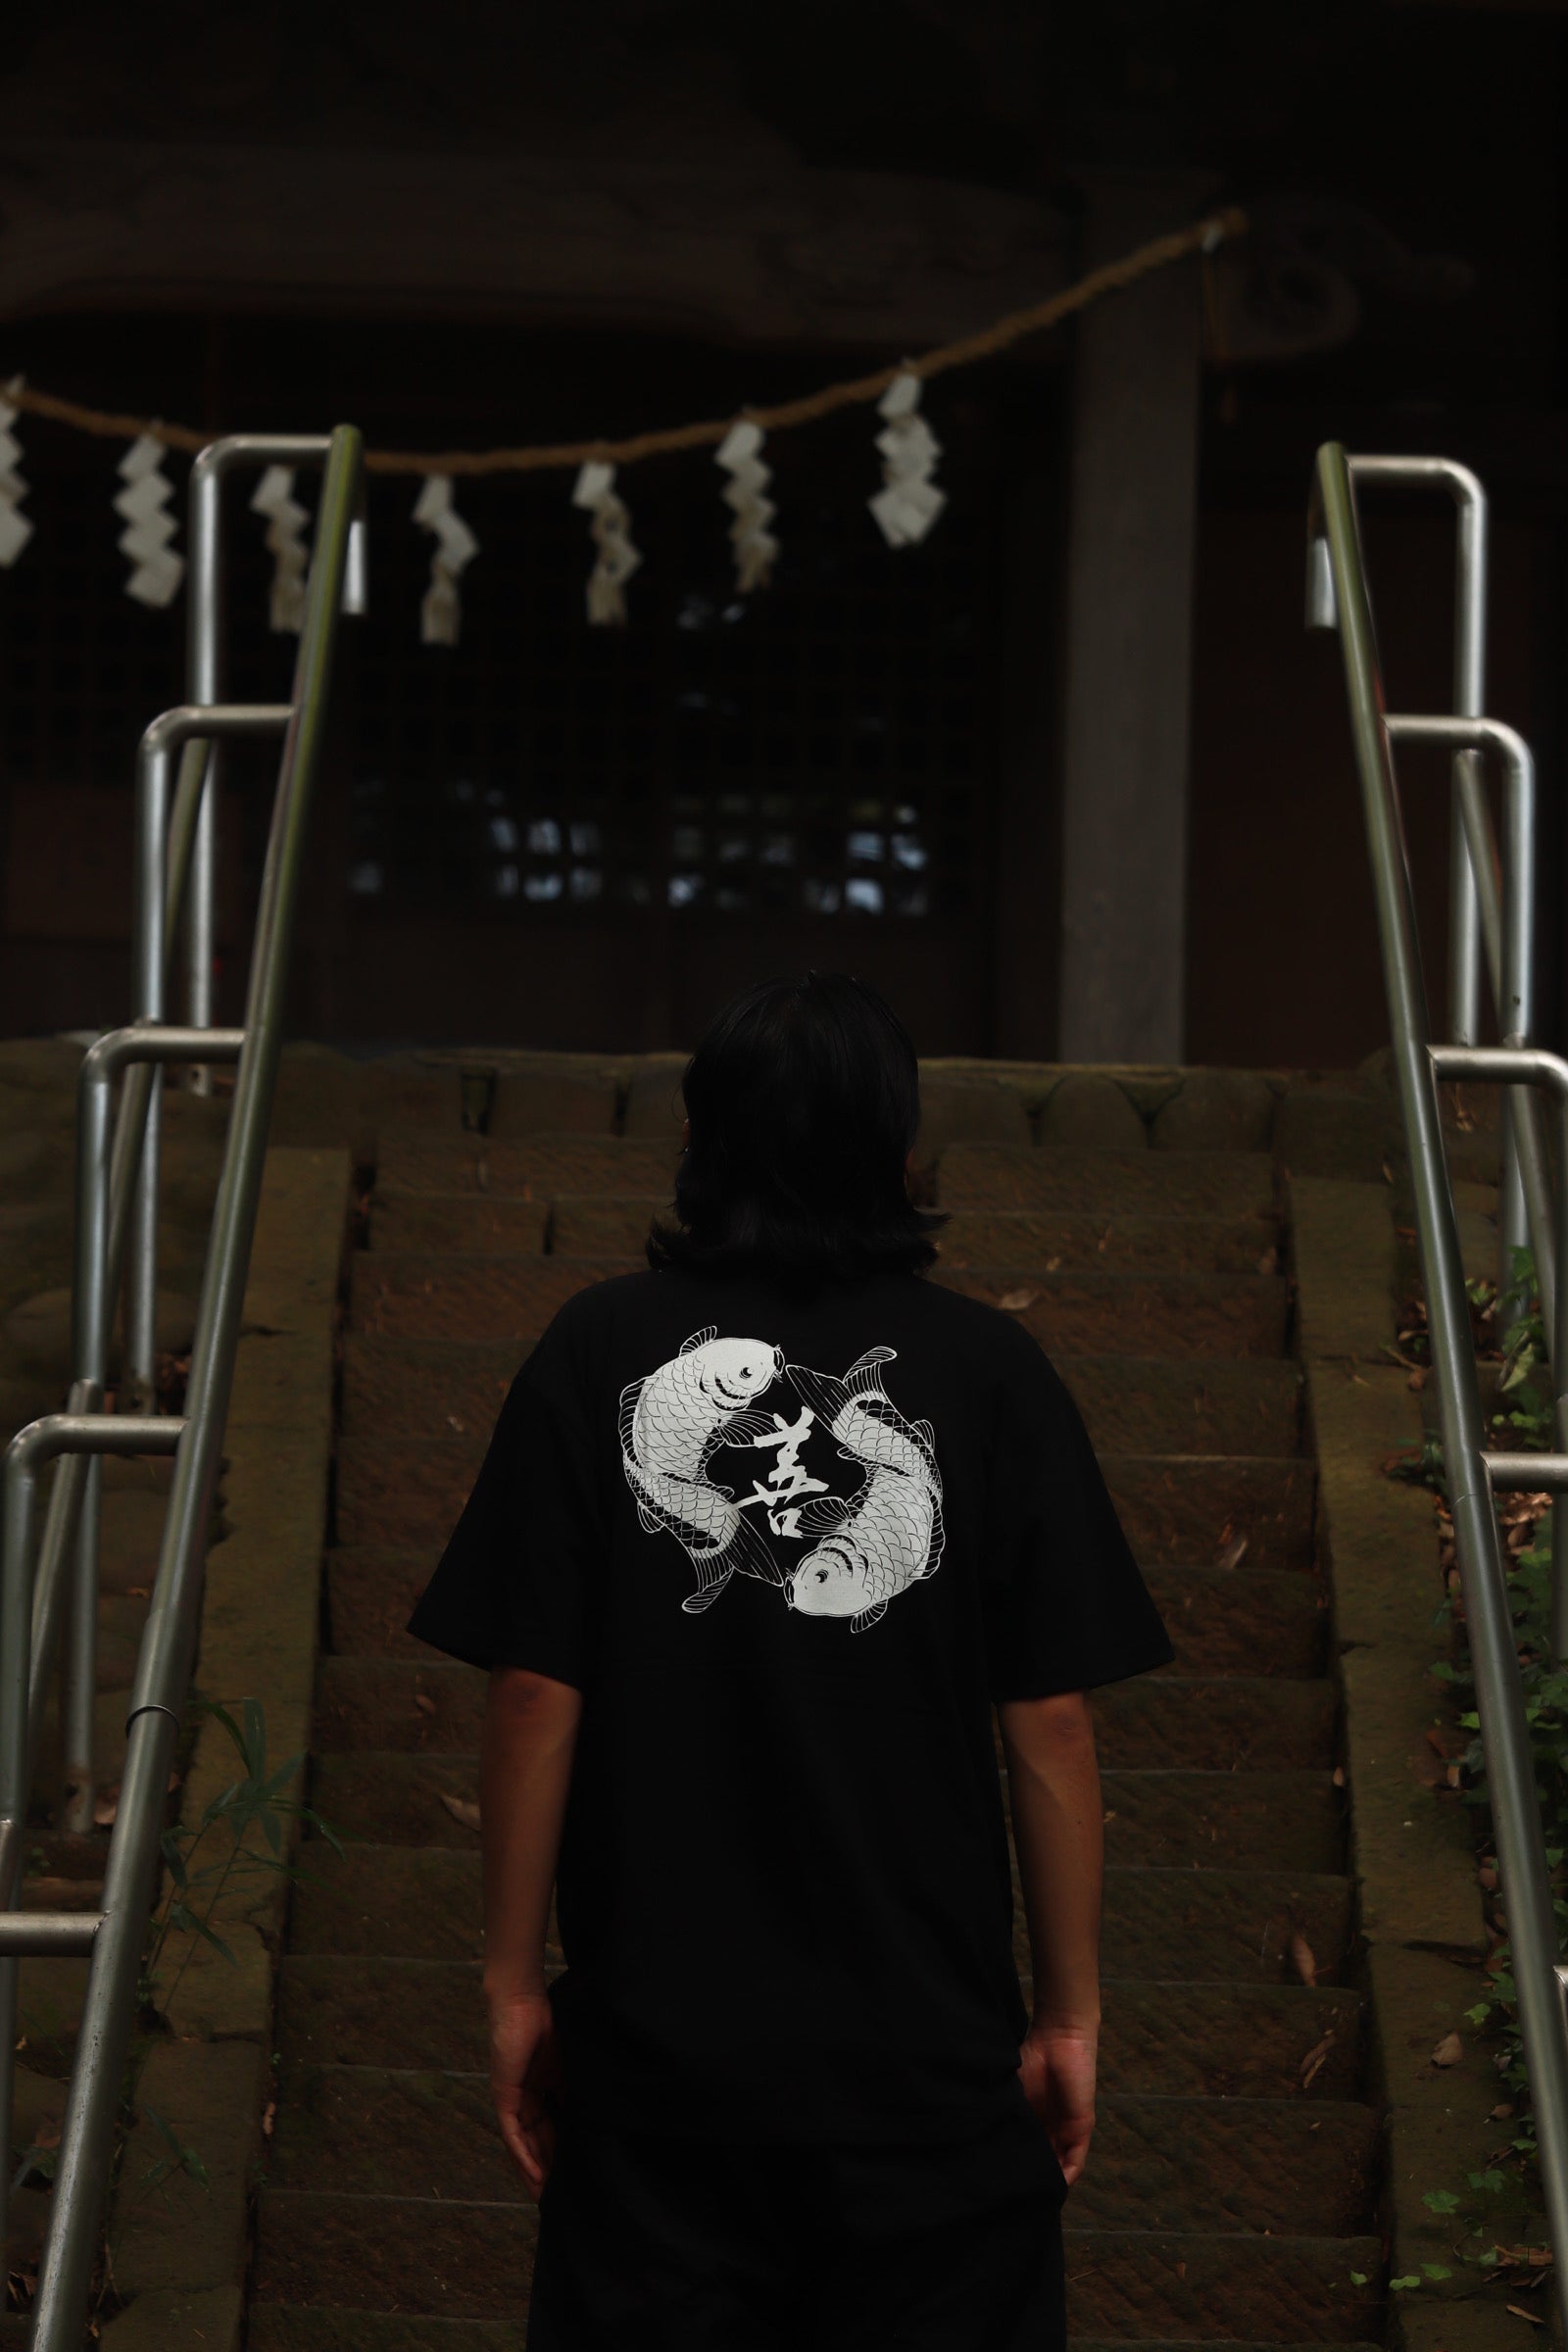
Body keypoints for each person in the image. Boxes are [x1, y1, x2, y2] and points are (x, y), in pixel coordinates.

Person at [407, 972, 1173, 2351]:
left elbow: (531, 1691)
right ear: (901, 1148)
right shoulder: (992, 1373)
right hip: (926, 2077)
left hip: (658, 2077)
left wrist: (514, 1985)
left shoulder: (593, 1348)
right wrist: (1070, 2015)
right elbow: (1050, 1721)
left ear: (699, 1140)